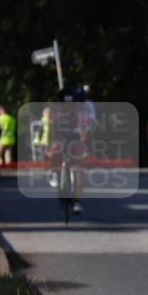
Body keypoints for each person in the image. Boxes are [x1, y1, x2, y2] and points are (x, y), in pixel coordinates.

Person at [48, 86, 89, 214]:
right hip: (60, 136)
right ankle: (55, 172)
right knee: (55, 147)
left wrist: (82, 144)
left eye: (71, 104)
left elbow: (83, 130)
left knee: (78, 169)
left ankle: (77, 202)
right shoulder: (55, 111)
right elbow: (51, 128)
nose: (68, 106)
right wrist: (51, 144)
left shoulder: (81, 111)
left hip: (75, 138)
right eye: (65, 104)